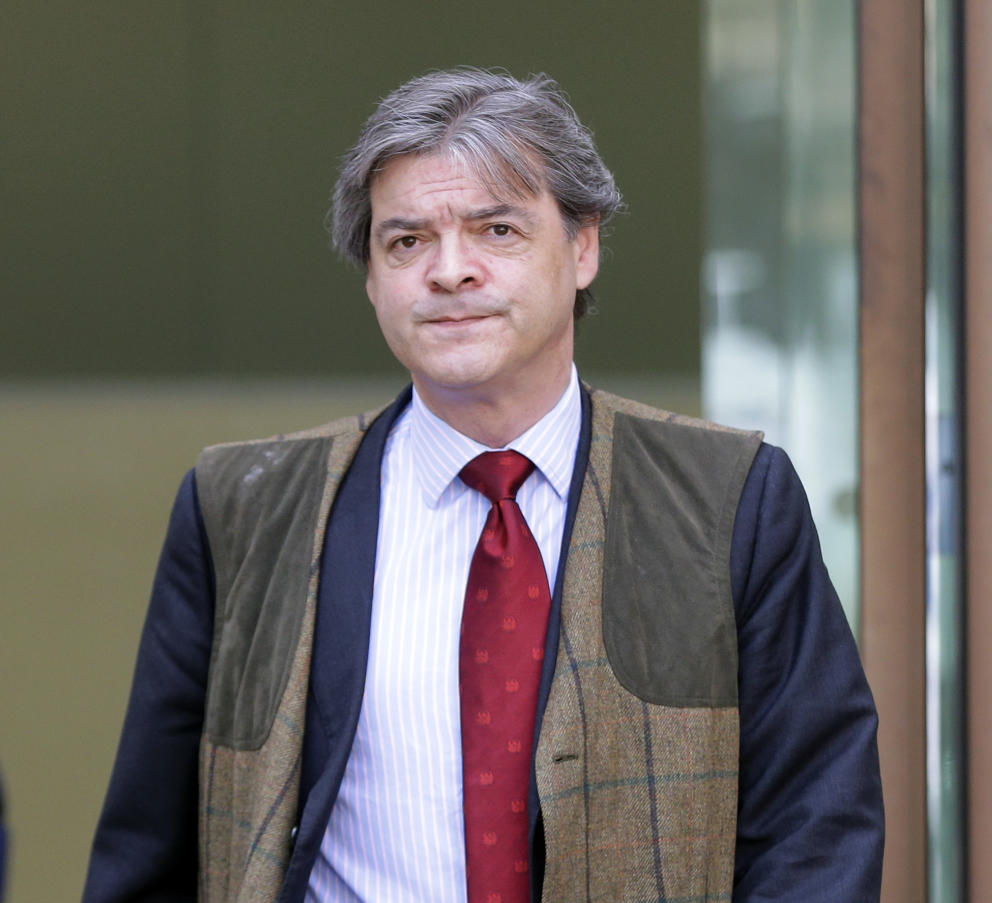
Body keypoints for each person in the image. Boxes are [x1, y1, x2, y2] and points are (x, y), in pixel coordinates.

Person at [83, 67, 883, 903]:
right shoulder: (241, 508)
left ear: (583, 248)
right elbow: (149, 849)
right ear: (371, 276)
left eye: (496, 230)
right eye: (406, 241)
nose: (449, 270)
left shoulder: (732, 499)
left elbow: (816, 823)